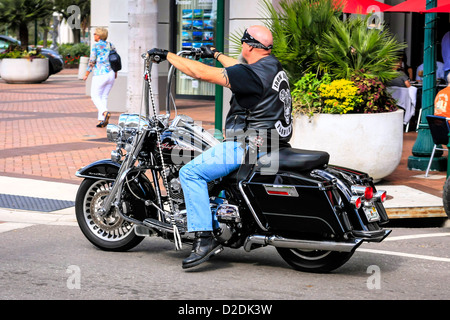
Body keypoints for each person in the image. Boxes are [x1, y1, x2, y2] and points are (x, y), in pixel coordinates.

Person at [148, 25, 293, 269]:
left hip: (248, 145)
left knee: (190, 172)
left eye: (243, 44)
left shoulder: (251, 75)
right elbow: (239, 70)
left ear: (247, 46)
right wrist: (214, 54)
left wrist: (167, 56)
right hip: (273, 143)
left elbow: (201, 74)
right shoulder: (273, 66)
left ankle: (204, 238)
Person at [83, 27, 117, 128]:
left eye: (94, 34)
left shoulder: (96, 46)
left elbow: (92, 61)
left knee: (95, 96)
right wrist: (116, 72)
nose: (93, 35)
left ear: (98, 35)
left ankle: (104, 112)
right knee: (103, 96)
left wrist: (86, 74)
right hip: (111, 73)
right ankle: (101, 120)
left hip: (100, 74)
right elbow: (115, 59)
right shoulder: (110, 45)